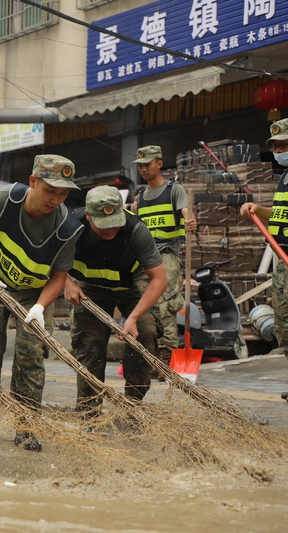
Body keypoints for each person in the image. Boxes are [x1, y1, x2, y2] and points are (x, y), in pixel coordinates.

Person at [0, 155, 83, 451]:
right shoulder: (2, 200)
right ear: (33, 181)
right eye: (50, 191)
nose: (55, 200)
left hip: (35, 293)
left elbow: (59, 277)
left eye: (63, 193)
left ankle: (26, 427)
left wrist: (40, 307)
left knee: (30, 358)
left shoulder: (67, 227)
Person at [64, 186, 167, 410]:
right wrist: (66, 282)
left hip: (132, 284)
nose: (111, 229)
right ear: (88, 215)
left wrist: (133, 318)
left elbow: (159, 280)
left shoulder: (135, 230)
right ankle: (88, 409)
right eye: (104, 224)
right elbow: (47, 259)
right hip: (90, 288)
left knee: (145, 333)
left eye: (115, 221)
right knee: (89, 343)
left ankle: (133, 405)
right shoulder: (70, 226)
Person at [133, 146, 197, 378]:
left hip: (166, 255)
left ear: (159, 164)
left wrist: (190, 221)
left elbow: (187, 213)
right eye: (140, 165)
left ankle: (167, 354)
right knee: (144, 306)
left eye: (147, 164)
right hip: (143, 258)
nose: (143, 169)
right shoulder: (139, 197)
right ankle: (150, 353)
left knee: (165, 304)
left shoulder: (174, 189)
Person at [240, 118, 288, 402]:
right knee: (285, 326)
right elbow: (281, 215)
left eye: (285, 144)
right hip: (281, 260)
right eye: (277, 146)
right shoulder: (284, 177)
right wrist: (258, 209)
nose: (280, 150)